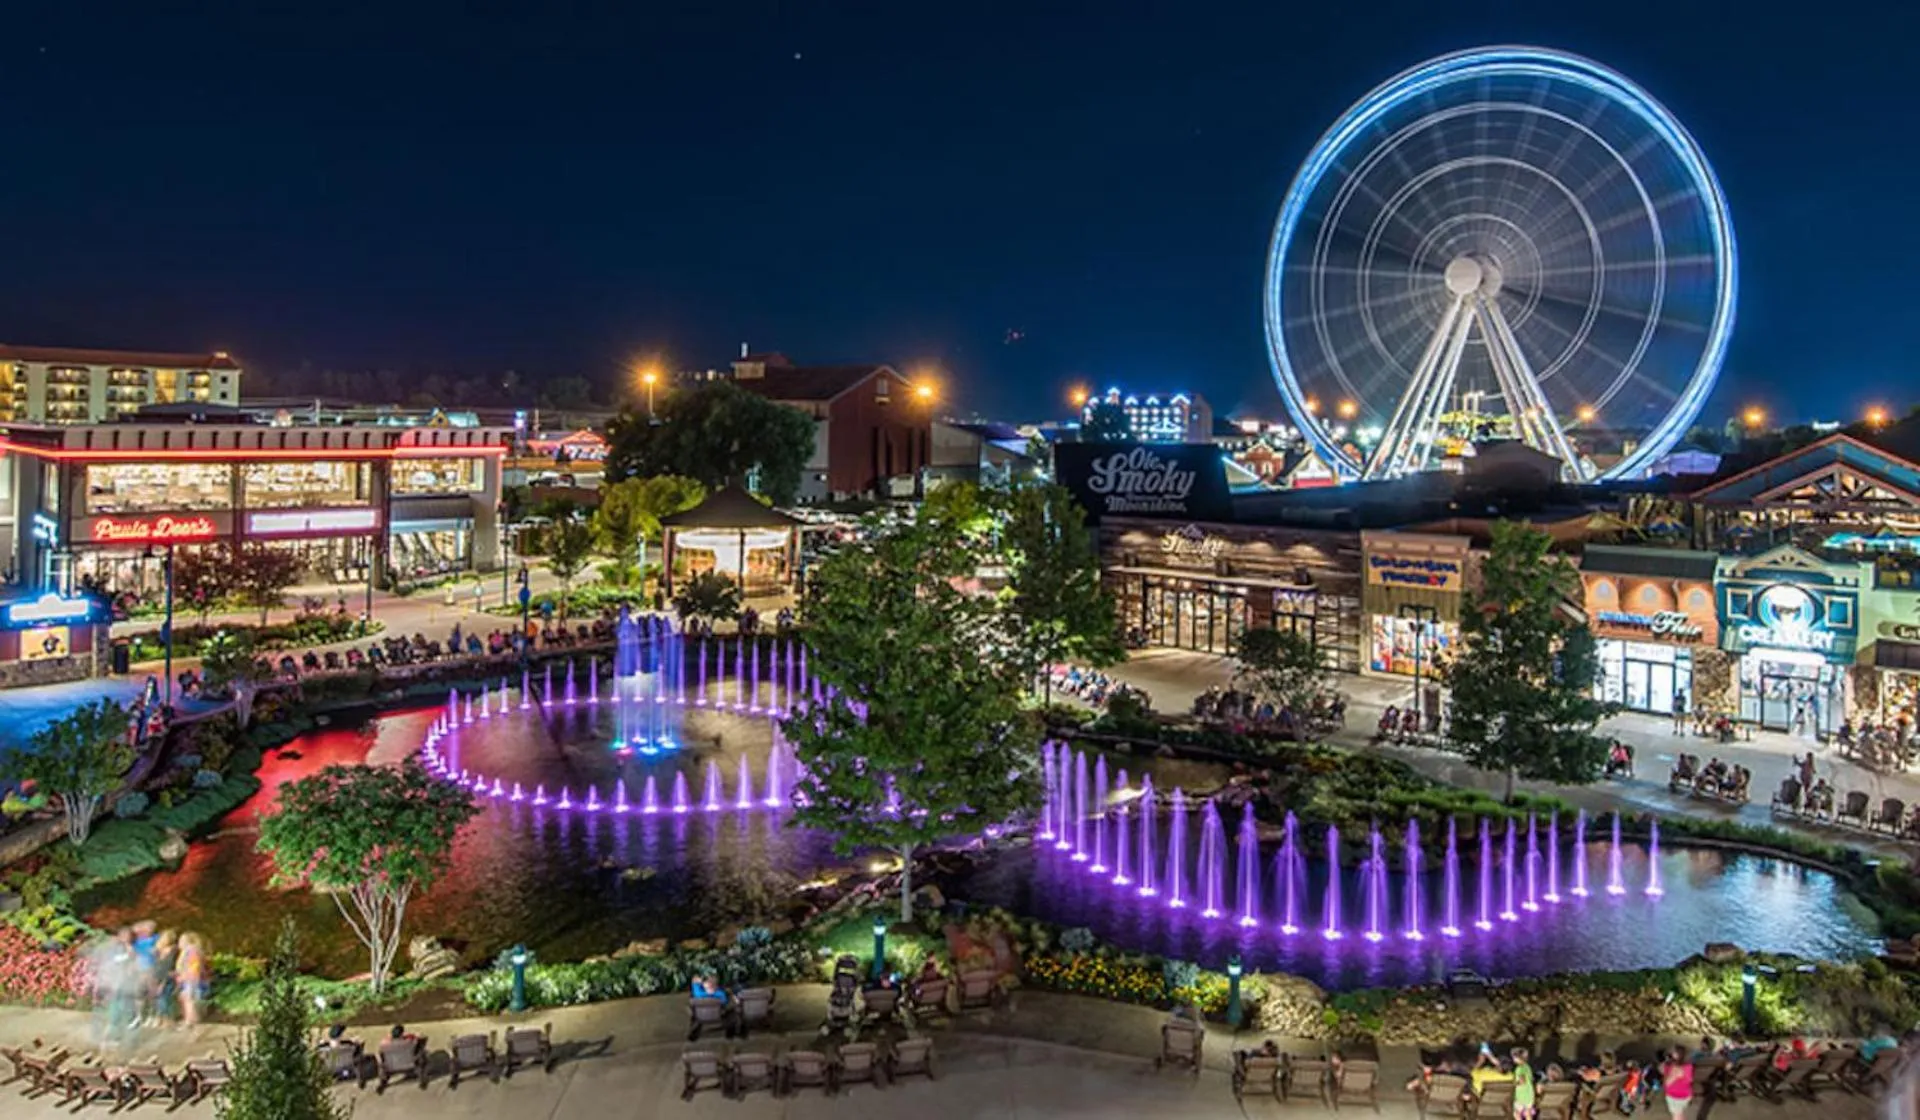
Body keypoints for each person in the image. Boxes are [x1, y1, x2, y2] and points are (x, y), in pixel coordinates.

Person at [174, 932, 208, 1028]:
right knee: (186, 998)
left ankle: (190, 1021)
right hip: (187, 979)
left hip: (191, 979)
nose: (179, 942)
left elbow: (194, 966)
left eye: (181, 940)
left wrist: (186, 976)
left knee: (189, 999)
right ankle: (190, 1019)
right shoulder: (187, 951)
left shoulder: (192, 951)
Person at [1659, 1046, 1693, 1120]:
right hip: (1686, 1096)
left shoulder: (1671, 1066)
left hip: (1675, 1096)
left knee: (1676, 1116)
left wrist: (1674, 1074)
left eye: (1672, 1052)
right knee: (1680, 1115)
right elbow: (1689, 1080)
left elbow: (1667, 1083)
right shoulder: (1688, 1066)